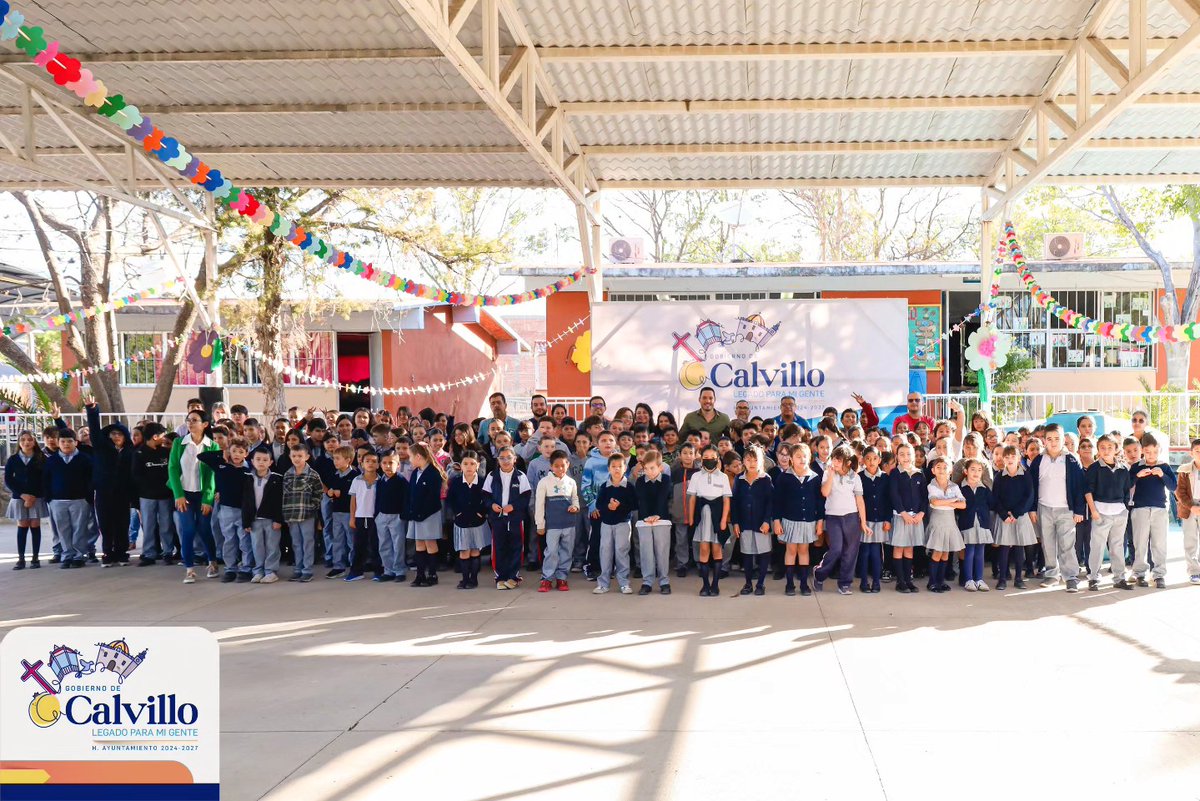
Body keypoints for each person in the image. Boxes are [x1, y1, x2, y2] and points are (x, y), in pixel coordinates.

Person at [1028, 423, 1086, 592]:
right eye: (1049, 439)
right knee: (1048, 542)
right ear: (1044, 441)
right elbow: (1032, 485)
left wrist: (1079, 510)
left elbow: (1079, 487)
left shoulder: (1071, 460)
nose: (1053, 442)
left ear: (1063, 441)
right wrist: (1032, 509)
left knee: (1067, 544)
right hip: (1044, 507)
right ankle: (1052, 573)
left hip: (1066, 509)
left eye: (1057, 439)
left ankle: (1071, 576)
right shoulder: (1039, 460)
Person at [167, 409, 220, 584]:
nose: (190, 423)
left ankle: (212, 562)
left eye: (195, 420)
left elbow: (212, 475)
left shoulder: (212, 446)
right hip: (185, 494)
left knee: (205, 529)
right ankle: (189, 569)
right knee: (187, 530)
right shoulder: (179, 443)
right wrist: (178, 495)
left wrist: (208, 499)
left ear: (205, 424)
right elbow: (173, 469)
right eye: (188, 420)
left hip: (202, 494)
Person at [84, 401, 134, 567]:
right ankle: (107, 553)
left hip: (123, 493)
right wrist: (92, 410)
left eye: (120, 434)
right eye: (113, 434)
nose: (116, 436)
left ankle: (121, 553)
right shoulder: (101, 448)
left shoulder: (130, 451)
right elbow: (94, 429)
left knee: (122, 523)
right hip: (104, 492)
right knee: (106, 524)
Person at [198, 436, 254, 582]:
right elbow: (201, 456)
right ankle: (230, 569)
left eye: (240, 451)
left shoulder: (249, 469)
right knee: (229, 540)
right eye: (233, 451)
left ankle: (246, 568)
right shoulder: (221, 464)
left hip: (243, 511)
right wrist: (221, 453)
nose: (236, 454)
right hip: (226, 510)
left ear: (246, 453)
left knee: (244, 541)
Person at [815, 445, 869, 595]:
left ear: (848, 462)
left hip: (851, 517)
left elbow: (860, 501)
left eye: (839, 460)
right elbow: (824, 493)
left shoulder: (855, 477)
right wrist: (831, 475)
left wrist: (863, 522)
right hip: (833, 517)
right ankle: (819, 574)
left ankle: (845, 583)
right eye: (834, 459)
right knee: (836, 549)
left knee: (850, 551)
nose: (835, 462)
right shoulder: (827, 474)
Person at [772, 442, 822, 597]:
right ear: (792, 459)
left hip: (808, 521)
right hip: (790, 520)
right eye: (798, 456)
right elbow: (777, 500)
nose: (802, 459)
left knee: (804, 550)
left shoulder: (814, 478)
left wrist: (820, 521)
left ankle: (803, 584)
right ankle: (789, 583)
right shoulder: (784, 477)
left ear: (810, 458)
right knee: (791, 550)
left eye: (804, 456)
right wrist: (777, 520)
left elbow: (819, 501)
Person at [1084, 435, 1133, 591]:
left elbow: (1127, 491)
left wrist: (1125, 508)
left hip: (1119, 512)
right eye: (1102, 447)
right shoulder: (1094, 468)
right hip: (1100, 512)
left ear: (1116, 449)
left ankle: (1119, 578)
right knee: (1097, 546)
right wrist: (1093, 511)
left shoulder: (1123, 468)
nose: (1106, 450)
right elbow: (1087, 491)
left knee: (1117, 546)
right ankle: (1093, 578)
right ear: (1098, 450)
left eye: (1110, 447)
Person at [1129, 434, 1176, 589]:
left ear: (1159, 450)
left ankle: (1159, 574)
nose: (1151, 455)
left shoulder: (1164, 466)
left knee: (1159, 543)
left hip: (1159, 509)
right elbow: (1126, 485)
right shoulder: (1137, 466)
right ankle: (1140, 574)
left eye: (1155, 452)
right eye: (1148, 452)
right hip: (1140, 509)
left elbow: (1173, 487)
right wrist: (1137, 475)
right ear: (1142, 451)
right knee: (1140, 543)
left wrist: (1162, 475)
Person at [43, 428, 92, 569]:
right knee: (62, 530)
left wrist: (87, 497)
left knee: (79, 529)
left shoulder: (84, 459)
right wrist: (49, 498)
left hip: (79, 500)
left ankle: (79, 556)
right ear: (58, 443)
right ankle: (67, 555)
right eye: (62, 441)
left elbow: (90, 479)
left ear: (76, 442)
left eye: (69, 441)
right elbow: (46, 480)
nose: (66, 444)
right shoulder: (52, 460)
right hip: (57, 501)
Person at [484, 446, 531, 590]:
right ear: (498, 460)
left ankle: (513, 576)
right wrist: (491, 505)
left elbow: (526, 496)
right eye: (502, 458)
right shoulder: (492, 476)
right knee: (499, 547)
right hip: (498, 519)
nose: (505, 461)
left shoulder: (521, 476)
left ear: (514, 459)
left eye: (509, 458)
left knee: (516, 547)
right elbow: (486, 495)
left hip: (515, 519)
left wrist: (514, 506)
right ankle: (500, 577)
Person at [535, 449, 579, 593]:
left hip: (569, 524)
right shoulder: (544, 482)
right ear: (551, 466)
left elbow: (575, 499)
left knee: (567, 551)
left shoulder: (571, 482)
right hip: (552, 525)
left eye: (563, 465)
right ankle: (547, 578)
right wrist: (540, 524)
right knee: (551, 551)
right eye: (556, 465)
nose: (560, 468)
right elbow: (539, 504)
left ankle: (562, 578)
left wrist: (575, 507)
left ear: (568, 465)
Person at [592, 453, 636, 595]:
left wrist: (619, 506)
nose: (617, 469)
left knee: (621, 552)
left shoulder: (629, 486)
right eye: (613, 467)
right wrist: (608, 507)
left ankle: (624, 582)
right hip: (606, 524)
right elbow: (599, 504)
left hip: (623, 523)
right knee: (605, 552)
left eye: (620, 466)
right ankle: (603, 583)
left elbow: (634, 504)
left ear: (625, 468)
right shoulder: (605, 486)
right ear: (609, 469)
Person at [732, 445, 774, 596]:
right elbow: (735, 502)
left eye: (755, 460)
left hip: (761, 523)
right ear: (743, 461)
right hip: (745, 523)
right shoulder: (739, 479)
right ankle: (748, 583)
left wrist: (766, 521)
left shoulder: (765, 479)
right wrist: (735, 522)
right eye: (748, 459)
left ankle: (761, 584)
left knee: (763, 553)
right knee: (747, 553)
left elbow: (770, 502)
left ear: (761, 461)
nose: (751, 463)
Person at [281, 443, 324, 583]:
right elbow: (284, 495)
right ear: (290, 457)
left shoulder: (312, 475)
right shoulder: (287, 474)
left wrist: (313, 506)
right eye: (294, 456)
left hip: (307, 515)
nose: (297, 459)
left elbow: (319, 492)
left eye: (300, 456)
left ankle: (307, 570)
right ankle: (298, 569)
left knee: (308, 542)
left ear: (307, 457)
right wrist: (285, 514)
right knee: (296, 543)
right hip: (292, 515)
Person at [406, 442, 447, 587]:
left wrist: (421, 514)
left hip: (428, 514)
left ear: (418, 456)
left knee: (430, 543)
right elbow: (411, 494)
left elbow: (432, 498)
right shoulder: (416, 473)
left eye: (411, 457)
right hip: (416, 514)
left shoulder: (433, 474)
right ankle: (420, 574)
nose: (409, 459)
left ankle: (432, 574)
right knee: (419, 544)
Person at [888, 442, 926, 594]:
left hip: (915, 517)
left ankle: (908, 580)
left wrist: (922, 513)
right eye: (902, 454)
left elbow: (924, 496)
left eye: (909, 454)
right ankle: (900, 581)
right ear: (897, 457)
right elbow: (894, 495)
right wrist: (903, 513)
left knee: (909, 548)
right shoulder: (895, 473)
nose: (906, 457)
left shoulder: (919, 473)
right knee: (899, 548)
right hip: (901, 516)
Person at [924, 456, 966, 593]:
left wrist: (946, 501)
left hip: (950, 521)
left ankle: (940, 581)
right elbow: (935, 502)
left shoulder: (954, 486)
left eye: (945, 467)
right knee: (937, 551)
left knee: (946, 552)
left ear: (950, 470)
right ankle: (932, 582)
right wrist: (952, 501)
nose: (942, 470)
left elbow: (963, 504)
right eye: (938, 467)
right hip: (938, 521)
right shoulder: (932, 485)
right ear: (933, 470)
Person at [447, 451, 488, 590]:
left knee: (475, 550)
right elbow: (450, 500)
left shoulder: (482, 482)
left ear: (477, 465)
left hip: (477, 521)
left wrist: (482, 513)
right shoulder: (456, 482)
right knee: (464, 551)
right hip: (461, 520)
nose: (469, 467)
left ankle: (473, 579)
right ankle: (464, 579)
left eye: (472, 464)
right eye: (465, 463)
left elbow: (488, 499)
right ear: (461, 466)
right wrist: (457, 513)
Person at [242, 448, 284, 584]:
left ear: (271, 462)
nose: (261, 462)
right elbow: (245, 502)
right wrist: (246, 522)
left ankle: (270, 571)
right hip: (254, 519)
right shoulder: (248, 478)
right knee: (257, 546)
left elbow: (280, 501)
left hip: (271, 519)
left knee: (272, 545)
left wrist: (279, 519)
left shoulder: (276, 479)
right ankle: (258, 570)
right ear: (252, 461)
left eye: (265, 460)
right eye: (258, 459)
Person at [6, 430, 46, 570]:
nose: (26, 442)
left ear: (34, 442)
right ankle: (21, 559)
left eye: (29, 439)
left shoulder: (41, 458)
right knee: (22, 525)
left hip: (36, 497)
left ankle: (35, 558)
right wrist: (23, 495)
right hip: (19, 498)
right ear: (19, 442)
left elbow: (44, 479)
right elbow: (9, 480)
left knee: (35, 525)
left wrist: (34, 496)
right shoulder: (13, 459)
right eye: (23, 439)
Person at [857, 446, 890, 594]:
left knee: (876, 552)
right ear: (863, 460)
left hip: (880, 520)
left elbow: (889, 501)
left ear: (880, 460)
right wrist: (860, 519)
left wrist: (887, 519)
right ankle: (864, 581)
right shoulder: (859, 477)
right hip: (865, 520)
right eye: (868, 459)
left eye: (874, 458)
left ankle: (876, 581)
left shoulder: (885, 478)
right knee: (864, 552)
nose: (871, 462)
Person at [957, 459, 993, 592]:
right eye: (972, 469)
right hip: (968, 525)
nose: (976, 473)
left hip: (982, 525)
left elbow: (992, 503)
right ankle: (968, 579)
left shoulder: (984, 489)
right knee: (969, 552)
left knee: (980, 552)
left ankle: (979, 579)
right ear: (966, 471)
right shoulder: (961, 489)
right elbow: (958, 508)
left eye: (979, 470)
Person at [323, 446, 360, 579]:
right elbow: (331, 491)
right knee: (337, 539)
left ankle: (354, 566)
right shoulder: (335, 475)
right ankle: (338, 566)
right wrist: (330, 492)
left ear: (348, 460)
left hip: (349, 513)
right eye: (334, 459)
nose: (335, 461)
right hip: (336, 512)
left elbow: (355, 495)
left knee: (351, 540)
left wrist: (342, 493)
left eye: (338, 459)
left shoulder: (355, 476)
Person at [347, 451, 382, 582]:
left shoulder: (381, 480)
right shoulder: (357, 480)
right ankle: (356, 571)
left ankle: (378, 571)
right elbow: (353, 500)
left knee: (375, 545)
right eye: (367, 461)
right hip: (360, 517)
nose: (370, 463)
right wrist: (352, 517)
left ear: (378, 464)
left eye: (374, 461)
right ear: (361, 464)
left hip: (375, 518)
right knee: (358, 545)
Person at [1176, 438, 1200, 586]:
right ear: (1191, 453)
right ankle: (1194, 572)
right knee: (1190, 541)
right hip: (1190, 508)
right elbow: (1180, 492)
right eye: (1197, 451)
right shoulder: (1184, 469)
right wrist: (1192, 507)